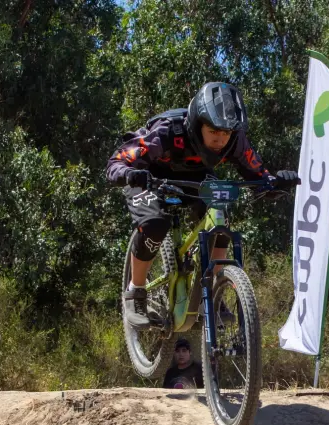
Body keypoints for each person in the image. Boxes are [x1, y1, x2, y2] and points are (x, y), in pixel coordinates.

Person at [106, 82, 299, 328]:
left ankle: (215, 292)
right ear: (198, 124)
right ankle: (136, 292)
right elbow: (117, 161)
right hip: (147, 176)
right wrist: (128, 173)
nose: (220, 139)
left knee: (221, 208)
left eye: (226, 133)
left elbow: (258, 175)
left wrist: (275, 183)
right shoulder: (167, 132)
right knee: (155, 225)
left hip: (194, 177)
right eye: (213, 131)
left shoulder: (235, 140)